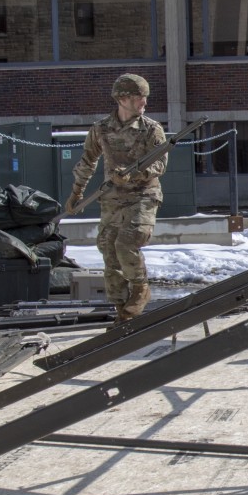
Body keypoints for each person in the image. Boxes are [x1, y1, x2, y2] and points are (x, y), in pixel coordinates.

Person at [67, 73, 168, 322]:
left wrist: (134, 174)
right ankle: (122, 310)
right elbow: (88, 160)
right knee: (108, 250)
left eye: (145, 97)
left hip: (143, 196)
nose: (143, 102)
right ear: (122, 98)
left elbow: (159, 165)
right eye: (138, 97)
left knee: (126, 244)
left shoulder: (151, 129)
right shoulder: (101, 128)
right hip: (112, 198)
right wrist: (76, 192)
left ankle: (140, 288)